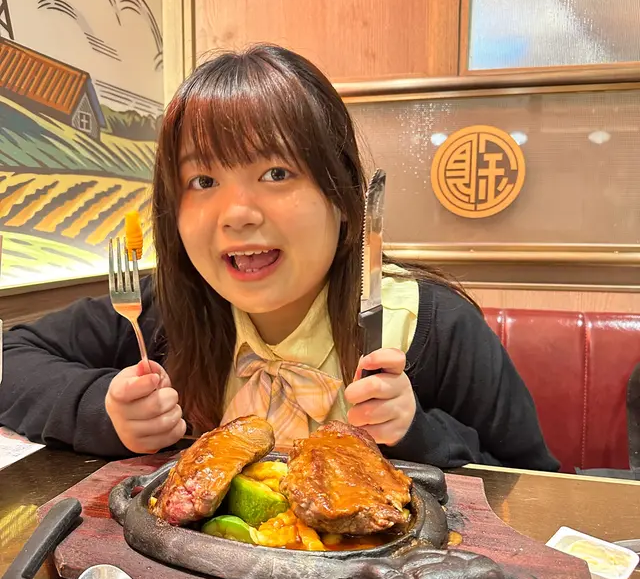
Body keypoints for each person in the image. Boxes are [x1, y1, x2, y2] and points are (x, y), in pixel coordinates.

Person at [0, 45, 559, 471]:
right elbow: (10, 357)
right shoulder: (161, 310)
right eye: (203, 180)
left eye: (275, 172)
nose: (237, 213)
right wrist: (102, 411)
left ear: (342, 197)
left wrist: (420, 435)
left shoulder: (428, 327)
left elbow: (536, 487)